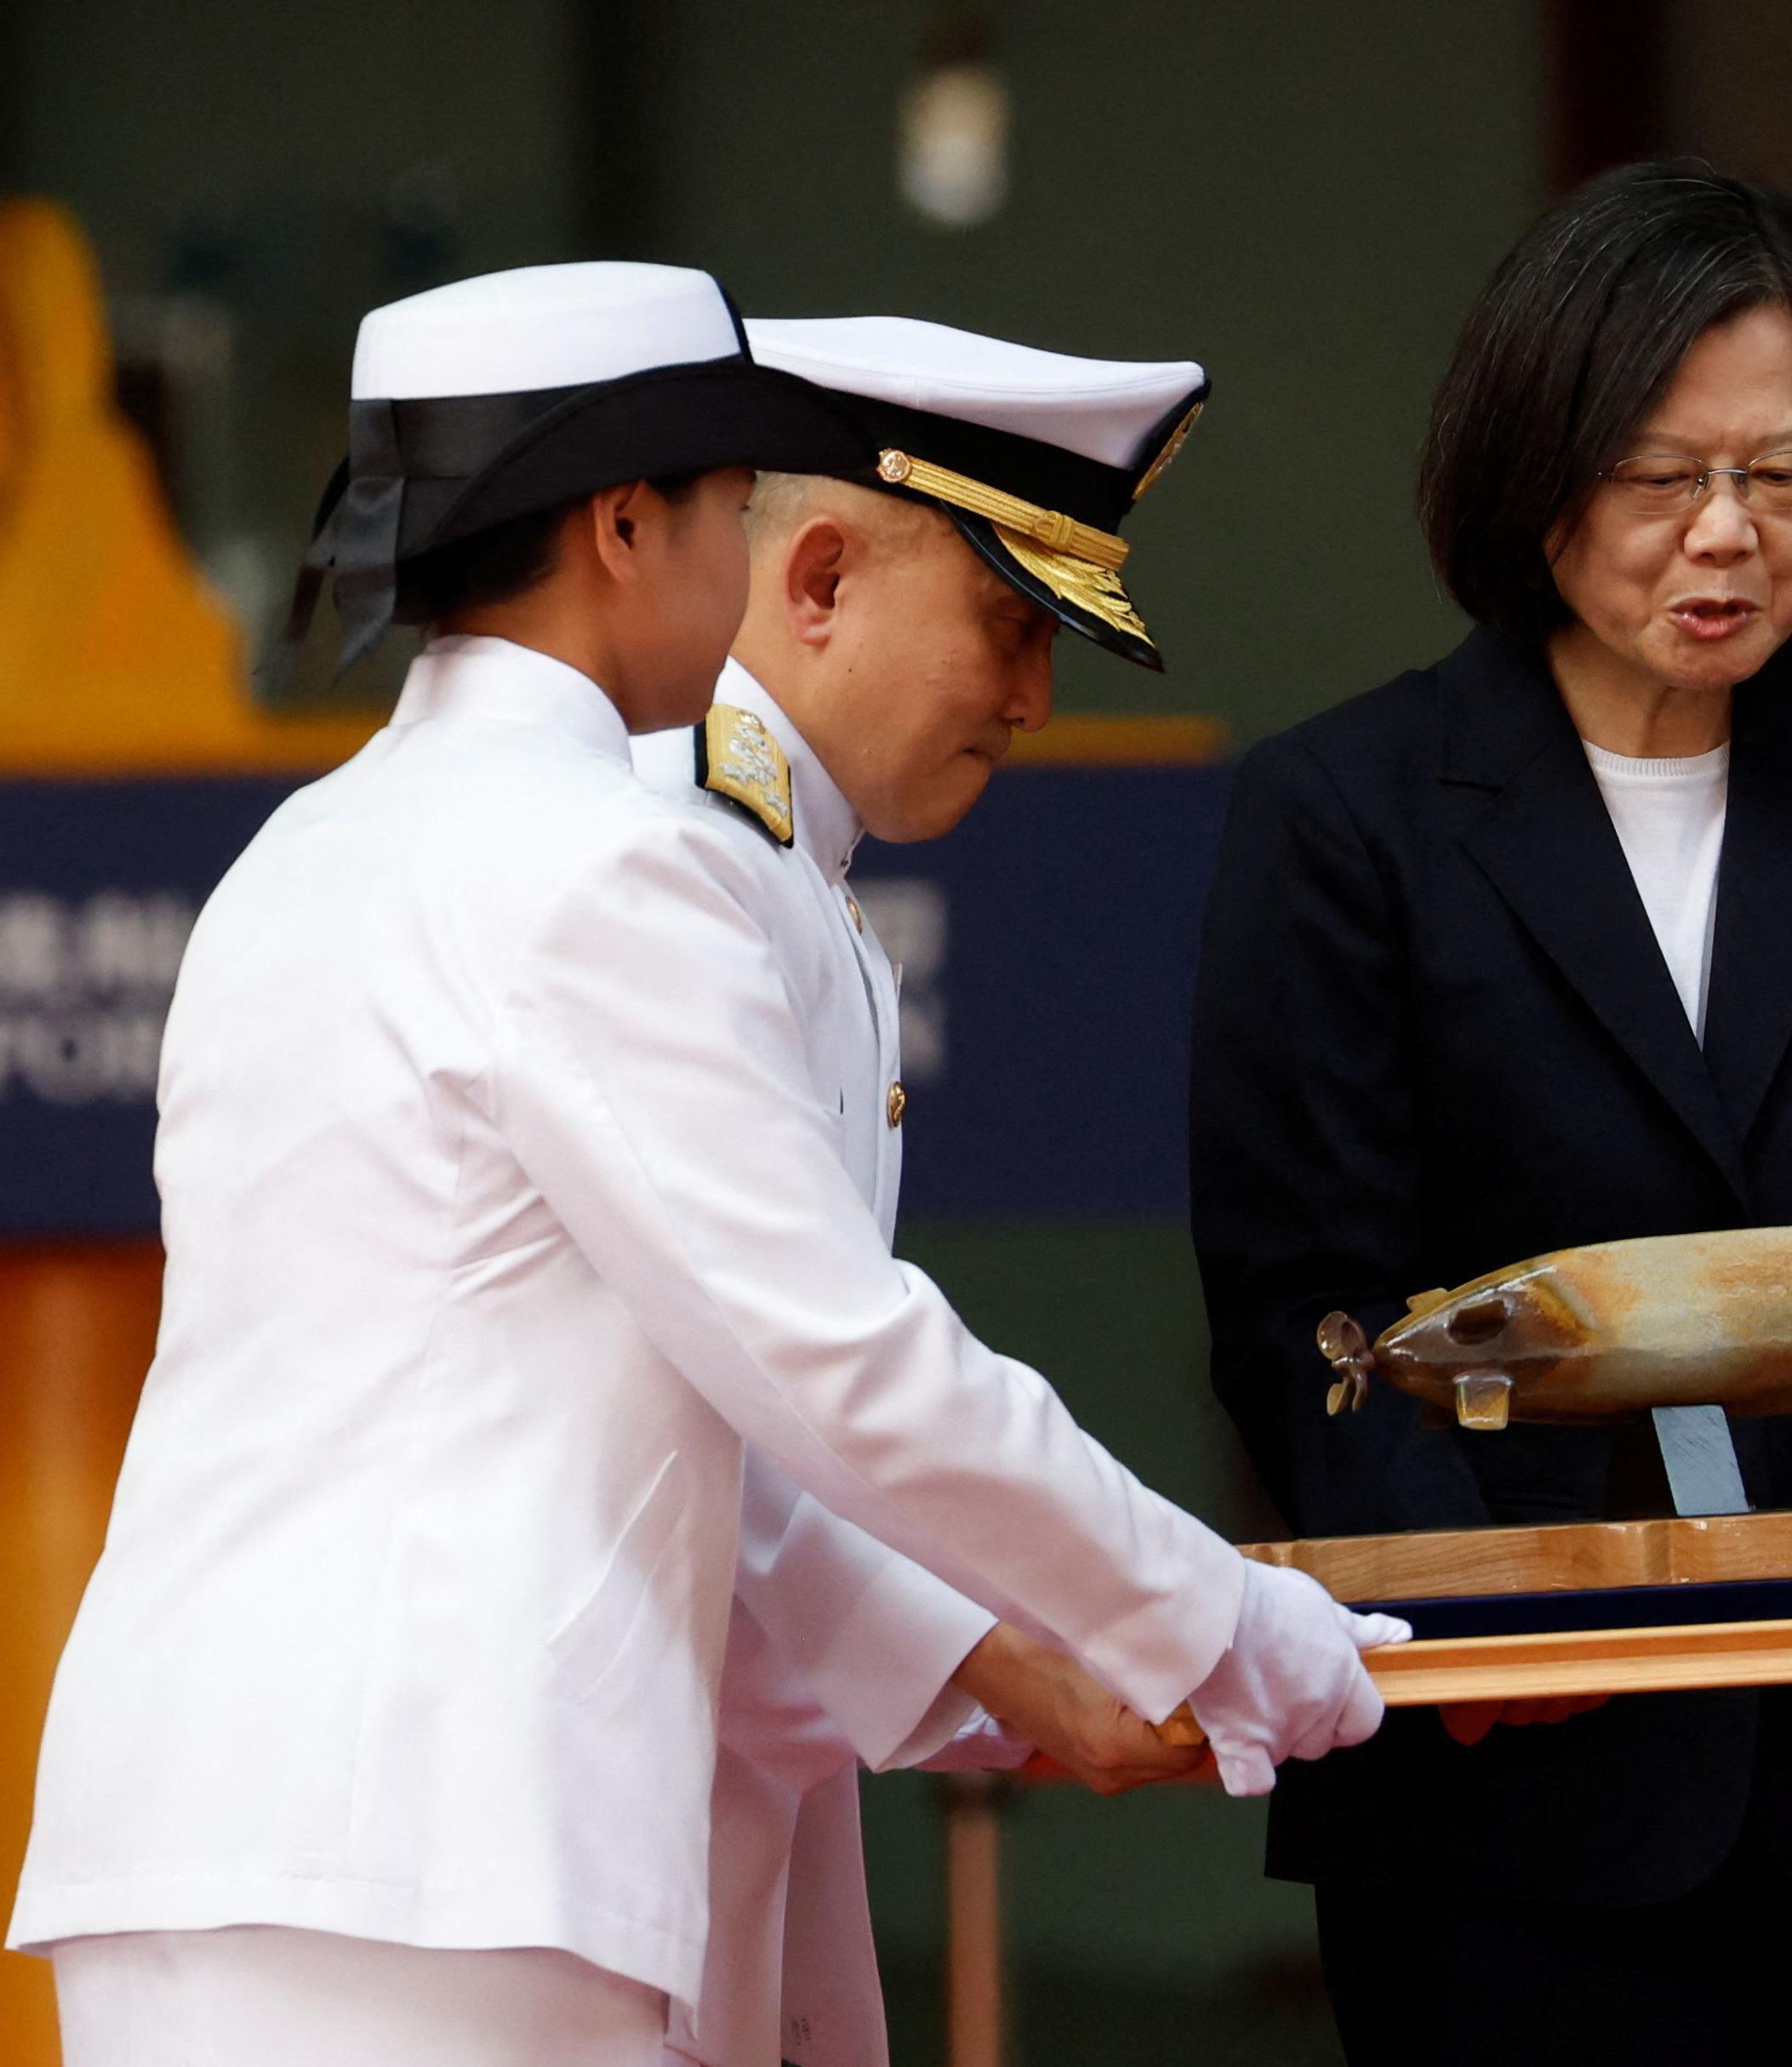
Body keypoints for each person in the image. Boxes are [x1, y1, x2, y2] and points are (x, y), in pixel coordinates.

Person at [7, 262, 1396, 2066]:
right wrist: (1234, 1632)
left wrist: (1043, 1651)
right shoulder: (599, 862)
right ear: (623, 524)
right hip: (439, 1857)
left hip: (215, 1844)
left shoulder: (310, 844)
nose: (747, 560)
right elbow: (844, 1364)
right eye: (732, 508)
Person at [1188, 163, 1792, 2066]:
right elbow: (1300, 1294)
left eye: (1782, 478)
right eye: (1660, 478)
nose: (1725, 536)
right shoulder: (1350, 814)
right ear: (1535, 471)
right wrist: (1467, 1623)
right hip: (1508, 1785)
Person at [630, 313, 1229, 2067]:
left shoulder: (790, 871)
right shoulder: (667, 856)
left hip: (697, 1819)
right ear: (816, 576)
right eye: (1010, 626)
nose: (1032, 698)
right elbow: (745, 1404)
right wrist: (1042, 1652)